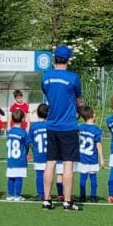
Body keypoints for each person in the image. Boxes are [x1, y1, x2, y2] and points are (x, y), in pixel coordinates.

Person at [39, 44, 83, 211]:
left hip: (51, 124)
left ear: (54, 59)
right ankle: (67, 201)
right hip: (69, 125)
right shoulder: (73, 78)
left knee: (50, 162)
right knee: (68, 164)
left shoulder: (46, 77)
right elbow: (79, 100)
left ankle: (47, 200)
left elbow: (47, 92)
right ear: (68, 60)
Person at [76, 104, 103, 203]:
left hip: (82, 157)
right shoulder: (96, 129)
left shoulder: (80, 127)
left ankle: (82, 196)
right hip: (92, 158)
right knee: (93, 178)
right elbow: (98, 145)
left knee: (82, 178)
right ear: (93, 115)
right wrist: (102, 159)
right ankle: (93, 196)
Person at [3, 109, 31, 202]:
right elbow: (28, 144)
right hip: (20, 159)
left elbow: (8, 127)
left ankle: (10, 195)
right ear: (23, 119)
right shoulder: (23, 132)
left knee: (11, 178)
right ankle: (17, 195)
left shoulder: (10, 131)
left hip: (11, 160)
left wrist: (9, 118)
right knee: (19, 178)